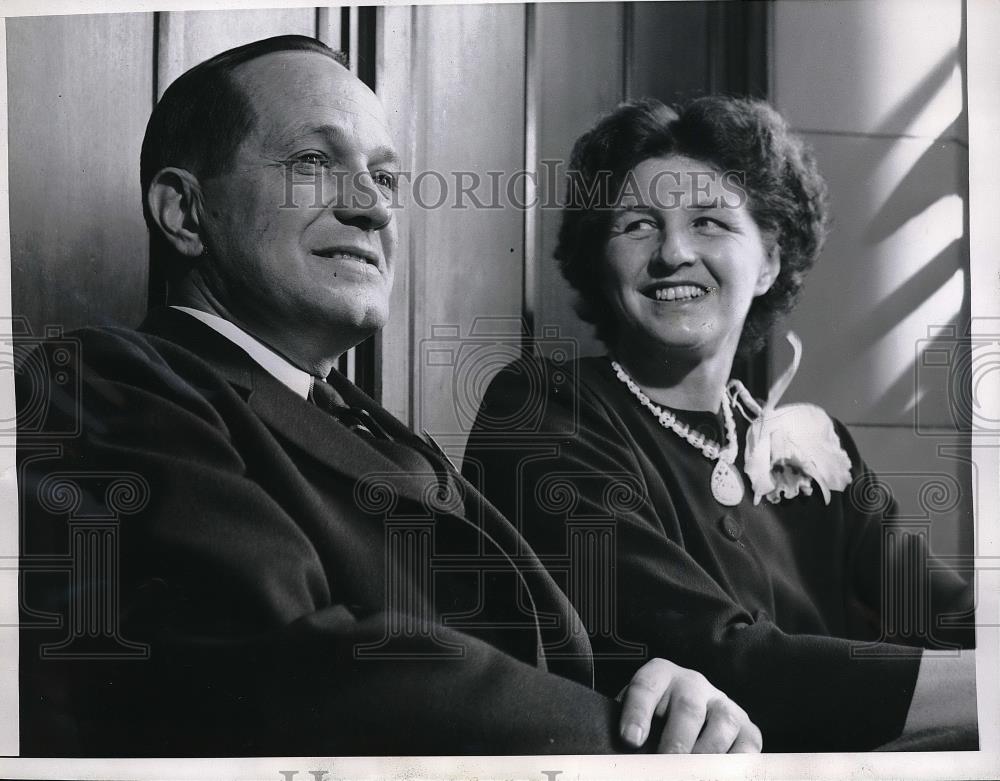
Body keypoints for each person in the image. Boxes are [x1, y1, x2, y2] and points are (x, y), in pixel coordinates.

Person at [15, 37, 761, 757]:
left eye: (386, 177)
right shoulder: (101, 384)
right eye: (314, 161)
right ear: (184, 212)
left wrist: (663, 702)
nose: (372, 207)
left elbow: (537, 659)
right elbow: (298, 670)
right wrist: (622, 743)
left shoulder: (386, 434)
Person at [462, 97, 977, 752]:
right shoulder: (540, 408)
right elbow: (721, 663)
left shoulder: (818, 447)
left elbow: (956, 619)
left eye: (709, 222)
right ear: (601, 259)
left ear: (767, 261)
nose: (673, 252)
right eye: (637, 225)